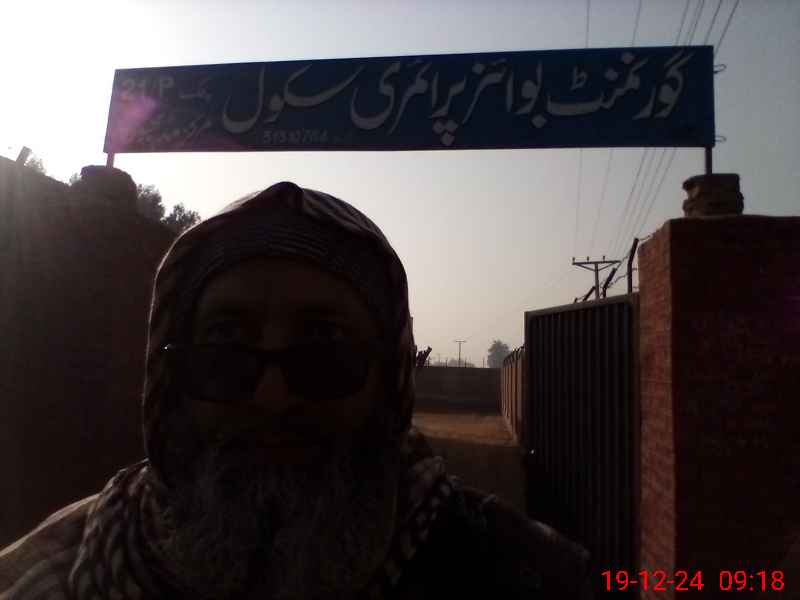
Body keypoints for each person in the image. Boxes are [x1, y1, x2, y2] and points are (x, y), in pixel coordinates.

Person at [0, 181, 591, 599]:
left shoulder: (522, 572)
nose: (271, 398)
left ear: (388, 380)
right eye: (226, 349)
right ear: (172, 376)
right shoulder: (56, 571)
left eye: (323, 349)